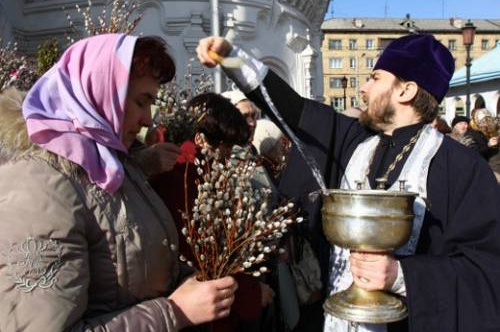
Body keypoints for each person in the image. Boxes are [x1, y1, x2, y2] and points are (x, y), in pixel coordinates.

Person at [196, 34, 500, 332]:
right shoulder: (356, 142)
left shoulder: (463, 167)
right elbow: (291, 107)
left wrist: (400, 274)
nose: (363, 89)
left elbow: (486, 272)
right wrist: (231, 56)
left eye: (375, 78)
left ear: (405, 90)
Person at [0, 34, 238, 331]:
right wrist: (174, 312)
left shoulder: (112, 165)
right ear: (99, 93)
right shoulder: (40, 187)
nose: (148, 120)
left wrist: (189, 280)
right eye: (141, 101)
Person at [148, 92, 274, 332]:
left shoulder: (186, 176)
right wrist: (253, 294)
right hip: (204, 313)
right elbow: (204, 261)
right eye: (226, 149)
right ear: (202, 140)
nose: (228, 159)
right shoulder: (185, 183)